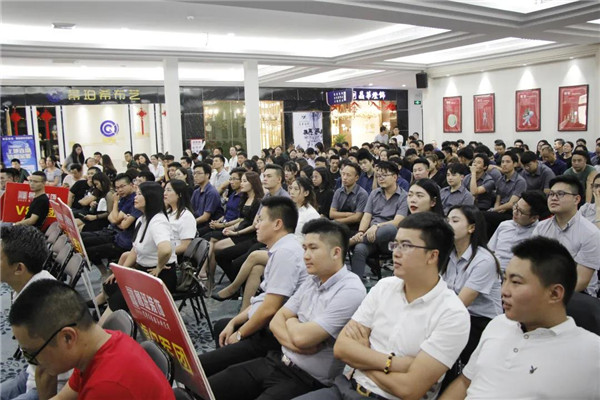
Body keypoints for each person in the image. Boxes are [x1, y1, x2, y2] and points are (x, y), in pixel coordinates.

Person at [296, 213, 470, 400]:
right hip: (346, 389)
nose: (395, 252)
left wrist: (362, 358)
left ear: (432, 256)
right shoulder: (385, 286)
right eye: (395, 244)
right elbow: (341, 348)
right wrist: (394, 364)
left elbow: (409, 389)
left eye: (406, 245)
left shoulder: (452, 314)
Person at [208, 219, 366, 400]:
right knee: (208, 387)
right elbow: (277, 321)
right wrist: (293, 334)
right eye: (304, 248)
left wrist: (290, 321)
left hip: (307, 380)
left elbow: (302, 336)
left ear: (336, 252)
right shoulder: (312, 279)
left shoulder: (351, 290)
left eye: (313, 248)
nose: (305, 255)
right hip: (276, 360)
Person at [440, 237, 600, 399]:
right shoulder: (498, 325)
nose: (504, 290)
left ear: (554, 293)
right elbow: (465, 383)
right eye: (505, 279)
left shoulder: (591, 352)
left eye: (516, 282)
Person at [198, 196, 308, 377]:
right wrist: (235, 321)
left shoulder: (286, 253)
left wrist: (240, 334)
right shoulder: (281, 249)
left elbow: (269, 309)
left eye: (261, 220)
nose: (256, 225)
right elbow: (263, 300)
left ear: (277, 224)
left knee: (201, 366)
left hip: (272, 333)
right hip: (266, 322)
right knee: (223, 326)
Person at [9, 280, 174, 399]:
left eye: (32, 353)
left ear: (67, 337)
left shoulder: (107, 387)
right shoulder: (99, 344)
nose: (34, 363)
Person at [0, 225, 72, 400]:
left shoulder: (42, 306)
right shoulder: (31, 284)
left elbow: (48, 375)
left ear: (19, 268)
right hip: (31, 372)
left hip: (53, 384)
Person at [99, 182, 177, 323]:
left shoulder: (158, 221)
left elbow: (165, 249)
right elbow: (135, 250)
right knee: (111, 285)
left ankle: (103, 328)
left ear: (151, 198)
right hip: (143, 271)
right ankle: (117, 321)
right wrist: (122, 271)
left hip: (160, 275)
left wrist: (159, 266)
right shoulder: (142, 219)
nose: (135, 197)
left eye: (140, 194)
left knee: (120, 297)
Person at [444, 205, 502, 365]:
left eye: (455, 221)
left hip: (480, 320)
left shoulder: (484, 260)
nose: (448, 224)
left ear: (471, 228)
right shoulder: (449, 254)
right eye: (447, 220)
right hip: (456, 314)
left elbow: (461, 303)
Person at [532, 175, 600, 296]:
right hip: (544, 287)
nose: (553, 198)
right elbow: (533, 263)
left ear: (577, 199)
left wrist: (549, 296)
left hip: (577, 293)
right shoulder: (541, 227)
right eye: (551, 194)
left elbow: (582, 281)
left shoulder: (590, 233)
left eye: (560, 194)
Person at [349, 161, 408, 278]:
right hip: (370, 238)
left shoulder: (404, 196)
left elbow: (397, 222)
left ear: (395, 177)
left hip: (391, 242)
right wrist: (361, 231)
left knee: (390, 229)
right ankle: (356, 283)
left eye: (384, 175)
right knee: (360, 249)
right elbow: (367, 216)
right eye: (378, 176)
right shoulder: (374, 194)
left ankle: (353, 240)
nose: (380, 179)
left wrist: (376, 227)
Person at [82, 173, 141, 272]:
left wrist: (115, 205)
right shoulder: (123, 198)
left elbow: (118, 221)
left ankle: (103, 272)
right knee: (81, 239)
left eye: (122, 186)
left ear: (131, 185)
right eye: (117, 188)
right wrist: (117, 219)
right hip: (115, 235)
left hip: (123, 241)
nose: (119, 190)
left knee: (87, 249)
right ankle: (103, 271)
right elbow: (111, 217)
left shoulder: (133, 200)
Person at [488, 190, 548, 272]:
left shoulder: (539, 234)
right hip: (493, 270)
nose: (515, 212)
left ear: (534, 218)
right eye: (515, 206)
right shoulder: (504, 225)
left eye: (520, 211)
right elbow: (490, 250)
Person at [329, 163, 369, 234]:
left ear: (356, 178)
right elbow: (331, 214)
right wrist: (349, 214)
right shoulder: (338, 191)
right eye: (343, 174)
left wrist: (337, 221)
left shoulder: (362, 194)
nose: (344, 177)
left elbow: (357, 218)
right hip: (338, 226)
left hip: (355, 228)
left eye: (348, 175)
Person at [164, 179, 196, 258]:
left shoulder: (186, 216)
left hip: (172, 256)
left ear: (179, 194)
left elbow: (185, 246)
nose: (165, 193)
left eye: (169, 190)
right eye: (164, 190)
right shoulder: (168, 212)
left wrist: (163, 254)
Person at [191, 162, 224, 234]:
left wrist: (190, 223)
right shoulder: (196, 192)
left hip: (210, 225)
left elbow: (205, 217)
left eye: (199, 173)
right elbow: (191, 210)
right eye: (194, 173)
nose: (195, 176)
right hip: (198, 222)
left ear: (207, 175)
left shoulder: (211, 192)